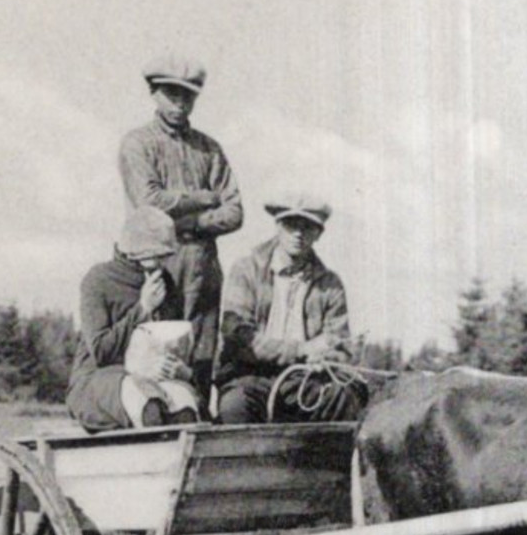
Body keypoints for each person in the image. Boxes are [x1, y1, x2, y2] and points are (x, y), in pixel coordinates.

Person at [118, 53, 243, 401]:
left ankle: (200, 427)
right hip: (156, 262)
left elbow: (234, 212)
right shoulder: (138, 144)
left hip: (202, 266)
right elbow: (150, 201)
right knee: (156, 350)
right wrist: (203, 198)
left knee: (201, 354)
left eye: (187, 96)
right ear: (154, 93)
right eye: (171, 93)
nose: (179, 103)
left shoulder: (209, 149)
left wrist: (194, 223)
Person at [215, 193, 356, 424]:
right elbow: (238, 337)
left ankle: (325, 461)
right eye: (291, 225)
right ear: (278, 226)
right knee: (234, 406)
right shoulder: (246, 270)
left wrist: (327, 356)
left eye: (308, 227)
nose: (298, 234)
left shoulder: (330, 284)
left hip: (306, 381)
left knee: (345, 398)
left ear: (319, 234)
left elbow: (341, 345)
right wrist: (301, 350)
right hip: (250, 377)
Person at [66, 206, 201, 430]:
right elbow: (101, 352)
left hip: (154, 380)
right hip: (99, 382)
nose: (161, 263)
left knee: (184, 407)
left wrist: (179, 368)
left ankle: (182, 464)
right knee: (147, 404)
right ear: (134, 250)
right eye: (156, 255)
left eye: (165, 256)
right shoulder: (99, 280)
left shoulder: (165, 283)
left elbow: (171, 344)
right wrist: (143, 308)